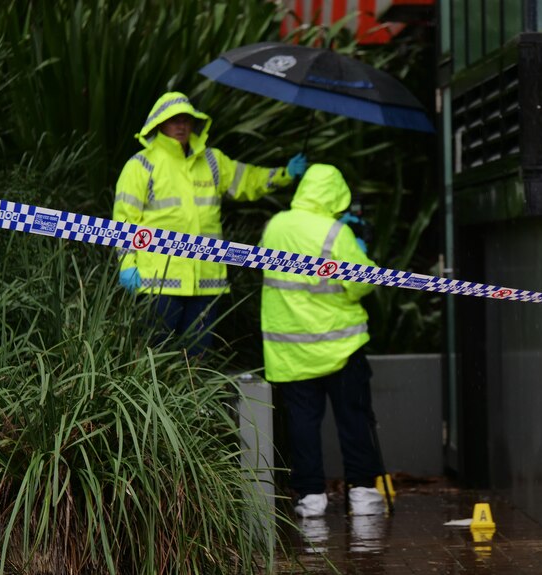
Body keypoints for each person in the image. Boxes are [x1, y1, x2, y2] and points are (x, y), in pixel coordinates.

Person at [113, 91, 307, 356]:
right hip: (158, 283)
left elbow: (247, 180)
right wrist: (127, 264)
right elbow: (125, 221)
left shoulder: (213, 161)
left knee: (198, 364)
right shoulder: (141, 166)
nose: (181, 125)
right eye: (174, 120)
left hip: (205, 283)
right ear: (159, 123)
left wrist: (284, 174)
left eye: (186, 119)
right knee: (155, 363)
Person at [260, 163, 385, 518]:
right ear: (336, 195)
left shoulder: (275, 226)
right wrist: (360, 248)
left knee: (302, 422)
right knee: (353, 418)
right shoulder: (335, 232)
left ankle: (311, 495)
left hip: (290, 348)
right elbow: (361, 284)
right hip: (340, 345)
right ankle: (361, 491)